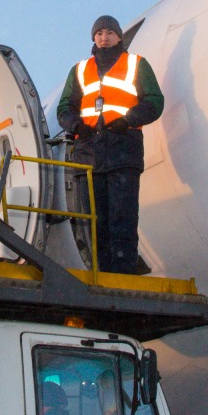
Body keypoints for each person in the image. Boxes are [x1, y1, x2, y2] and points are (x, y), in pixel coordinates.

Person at [55, 15, 163, 275]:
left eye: (110, 33)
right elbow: (64, 108)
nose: (105, 38)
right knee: (96, 222)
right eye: (100, 33)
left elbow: (154, 101)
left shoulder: (136, 65)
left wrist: (128, 120)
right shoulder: (80, 70)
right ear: (94, 37)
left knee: (122, 218)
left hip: (123, 149)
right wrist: (76, 126)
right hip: (89, 153)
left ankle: (123, 274)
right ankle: (103, 275)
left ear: (119, 37)